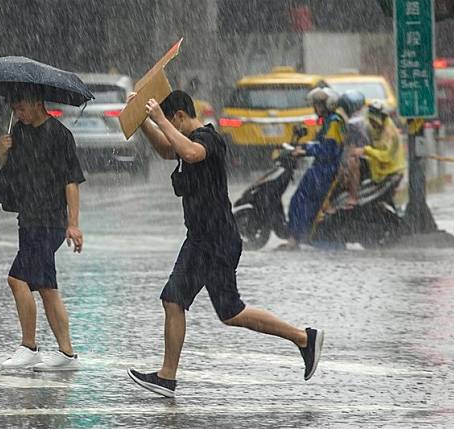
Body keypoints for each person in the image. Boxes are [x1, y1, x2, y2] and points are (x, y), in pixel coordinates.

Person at [126, 90, 324, 398]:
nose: (170, 129)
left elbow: (190, 153)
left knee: (218, 308)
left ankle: (303, 337)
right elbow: (169, 149)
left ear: (180, 116)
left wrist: (159, 119)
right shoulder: (183, 139)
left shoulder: (209, 139)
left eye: (171, 121)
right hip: (203, 238)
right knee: (182, 302)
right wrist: (142, 121)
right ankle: (167, 377)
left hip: (215, 240)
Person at [0, 89, 85, 371]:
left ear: (37, 104)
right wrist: (4, 154)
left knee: (18, 279)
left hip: (50, 220)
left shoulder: (60, 135)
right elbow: (13, 175)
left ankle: (30, 346)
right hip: (29, 218)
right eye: (15, 109)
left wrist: (73, 223)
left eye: (22, 108)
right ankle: (65, 353)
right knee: (47, 287)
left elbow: (71, 181)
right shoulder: (18, 134)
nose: (18, 114)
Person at [281, 87, 344, 249]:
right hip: (320, 167)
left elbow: (328, 149)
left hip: (325, 169)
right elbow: (317, 142)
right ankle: (298, 236)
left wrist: (306, 150)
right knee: (300, 200)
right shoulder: (328, 122)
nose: (315, 109)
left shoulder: (334, 123)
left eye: (318, 105)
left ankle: (297, 237)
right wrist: (300, 147)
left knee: (300, 200)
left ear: (327, 105)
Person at [351, 100, 405, 183]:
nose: (372, 123)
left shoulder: (389, 132)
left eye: (373, 121)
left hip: (391, 171)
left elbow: (386, 156)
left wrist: (365, 150)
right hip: (378, 171)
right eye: (370, 120)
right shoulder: (373, 128)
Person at [336, 90, 371, 209]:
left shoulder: (355, 123)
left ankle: (353, 195)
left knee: (351, 163)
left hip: (364, 158)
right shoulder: (360, 121)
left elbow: (353, 147)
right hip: (362, 156)